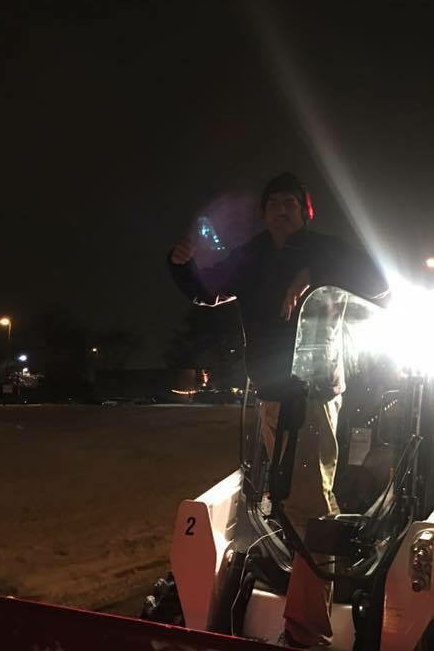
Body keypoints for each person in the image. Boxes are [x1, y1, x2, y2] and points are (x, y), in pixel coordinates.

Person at [169, 172, 387, 647]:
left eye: (291, 202)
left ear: (305, 211)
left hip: (313, 389)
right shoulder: (252, 256)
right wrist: (181, 265)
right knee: (289, 500)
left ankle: (308, 631)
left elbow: (380, 283)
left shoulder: (328, 249)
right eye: (273, 203)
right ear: (265, 213)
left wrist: (316, 276)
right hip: (269, 392)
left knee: (307, 500)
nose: (281, 210)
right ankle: (307, 596)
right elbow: (208, 290)